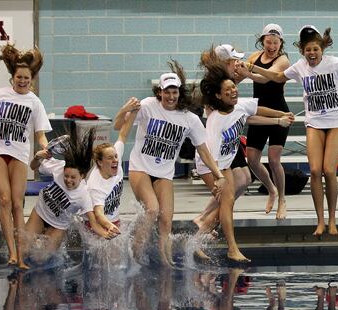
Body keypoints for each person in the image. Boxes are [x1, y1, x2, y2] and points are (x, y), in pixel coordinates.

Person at [244, 25, 338, 236]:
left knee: (329, 170)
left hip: (335, 123)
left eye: (315, 49)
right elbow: (278, 77)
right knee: (315, 171)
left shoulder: (333, 64)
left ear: (321, 49)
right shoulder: (299, 66)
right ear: (302, 51)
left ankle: (333, 219)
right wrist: (253, 68)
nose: (312, 54)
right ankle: (320, 221)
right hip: (314, 123)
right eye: (308, 50)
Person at [120, 61, 225, 265]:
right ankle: (135, 257)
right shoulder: (148, 105)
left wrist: (219, 175)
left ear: (179, 92)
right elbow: (120, 125)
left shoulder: (189, 119)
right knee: (151, 209)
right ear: (159, 92)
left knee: (166, 220)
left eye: (174, 92)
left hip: (164, 172)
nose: (170, 97)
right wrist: (124, 110)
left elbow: (203, 150)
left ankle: (165, 262)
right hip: (140, 167)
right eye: (166, 92)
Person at [195, 51, 294, 263]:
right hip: (210, 165)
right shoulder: (216, 122)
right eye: (228, 90)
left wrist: (280, 117)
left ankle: (198, 239)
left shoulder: (239, 105)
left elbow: (259, 110)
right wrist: (218, 177)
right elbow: (207, 155)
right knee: (227, 202)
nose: (233, 91)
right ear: (219, 96)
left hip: (225, 163)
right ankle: (229, 247)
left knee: (228, 201)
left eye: (234, 88)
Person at [0, 45, 51, 267]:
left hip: (18, 153)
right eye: (19, 77)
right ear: (13, 77)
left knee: (18, 204)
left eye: (26, 78)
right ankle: (12, 253)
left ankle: (21, 253)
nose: (22, 81)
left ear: (32, 79)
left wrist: (46, 148)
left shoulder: (34, 102)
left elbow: (40, 135)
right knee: (5, 200)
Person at [20, 131, 106, 268]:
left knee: (40, 259)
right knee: (24, 251)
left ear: (82, 176)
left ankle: (44, 241)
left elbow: (94, 223)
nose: (68, 180)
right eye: (66, 176)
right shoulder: (58, 167)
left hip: (58, 225)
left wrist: (106, 233)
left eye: (73, 178)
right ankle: (36, 239)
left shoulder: (84, 195)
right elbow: (33, 167)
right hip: (40, 213)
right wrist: (37, 157)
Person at [243, 24, 291, 219]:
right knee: (252, 159)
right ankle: (271, 189)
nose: (272, 46)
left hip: (279, 112)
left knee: (273, 159)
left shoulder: (283, 60)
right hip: (259, 112)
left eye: (275, 42)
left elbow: (264, 79)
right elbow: (239, 76)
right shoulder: (254, 56)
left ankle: (282, 201)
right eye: (268, 42)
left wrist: (248, 70)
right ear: (262, 41)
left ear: (281, 43)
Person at [86, 98, 139, 240]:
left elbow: (123, 134)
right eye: (110, 158)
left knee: (117, 261)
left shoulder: (117, 160)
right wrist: (109, 226)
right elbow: (98, 214)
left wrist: (133, 111)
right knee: (100, 260)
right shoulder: (95, 185)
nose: (115, 160)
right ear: (100, 163)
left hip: (113, 221)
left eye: (115, 156)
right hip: (95, 224)